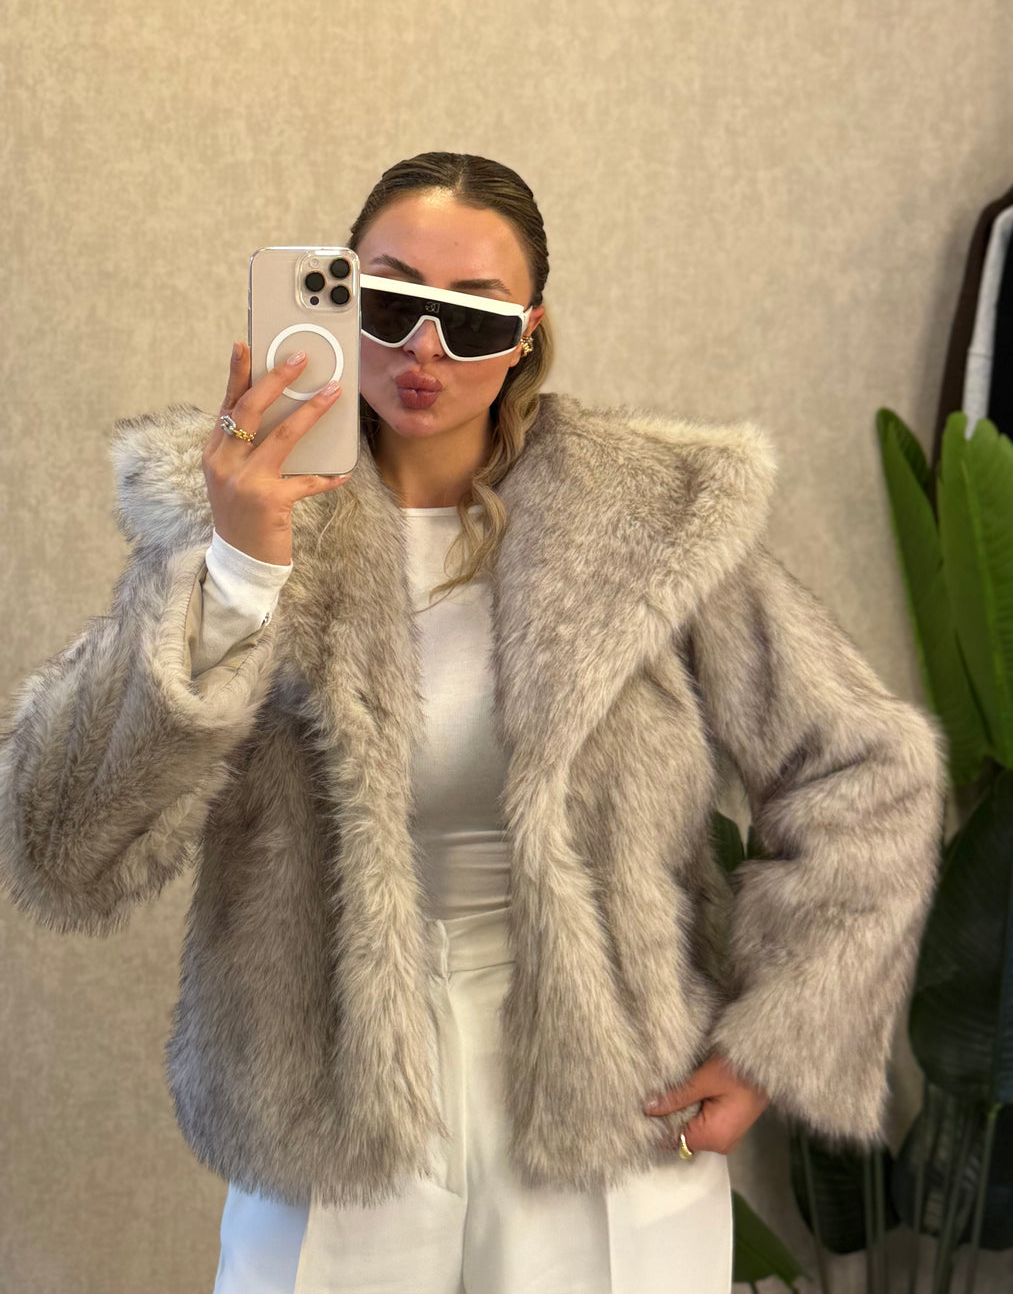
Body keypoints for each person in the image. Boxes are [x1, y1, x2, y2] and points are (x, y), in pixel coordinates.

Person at [0, 151, 948, 1294]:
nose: (425, 350)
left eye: (472, 319)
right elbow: (62, 840)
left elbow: (868, 768)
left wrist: (772, 1041)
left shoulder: (649, 525)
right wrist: (238, 571)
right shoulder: (227, 512)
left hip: (607, 1102)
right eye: (391, 303)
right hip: (324, 1099)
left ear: (525, 337)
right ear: (340, 295)